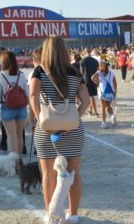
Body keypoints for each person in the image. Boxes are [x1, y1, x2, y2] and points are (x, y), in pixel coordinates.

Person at [29, 36, 90, 223]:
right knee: (74, 172)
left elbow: (33, 95)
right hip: (73, 130)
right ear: (64, 51)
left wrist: (40, 120)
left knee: (48, 174)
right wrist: (73, 120)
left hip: (47, 128)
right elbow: (86, 100)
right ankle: (73, 214)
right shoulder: (75, 72)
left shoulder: (39, 71)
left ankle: (51, 214)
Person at [0, 51, 29, 155]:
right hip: (21, 109)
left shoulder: (0, 76)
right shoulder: (21, 75)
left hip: (7, 108)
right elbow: (27, 93)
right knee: (19, 134)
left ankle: (14, 161)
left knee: (11, 135)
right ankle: (19, 159)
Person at [92, 60, 117, 129]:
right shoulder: (111, 73)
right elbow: (115, 83)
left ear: (101, 66)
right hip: (110, 92)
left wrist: (96, 81)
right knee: (108, 106)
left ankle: (104, 123)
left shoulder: (99, 73)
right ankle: (112, 115)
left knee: (103, 107)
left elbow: (92, 78)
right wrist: (114, 92)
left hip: (102, 92)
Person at [80, 48, 99, 116]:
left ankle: (95, 112)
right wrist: (98, 81)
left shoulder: (82, 60)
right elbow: (97, 71)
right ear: (91, 52)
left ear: (85, 52)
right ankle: (90, 110)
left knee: (91, 97)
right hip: (94, 80)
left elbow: (81, 72)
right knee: (91, 95)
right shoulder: (95, 61)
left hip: (86, 80)